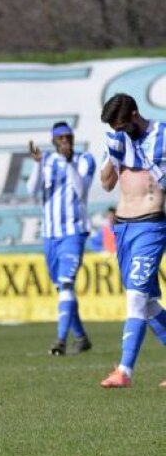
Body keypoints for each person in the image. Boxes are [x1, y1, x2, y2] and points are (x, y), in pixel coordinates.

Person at [96, 93, 166, 388]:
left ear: (135, 115)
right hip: (123, 228)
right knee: (148, 305)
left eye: (123, 126)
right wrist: (113, 155)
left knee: (135, 297)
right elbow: (107, 183)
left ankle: (124, 370)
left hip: (151, 225)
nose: (120, 131)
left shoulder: (162, 135)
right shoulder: (118, 140)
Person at [26, 122, 96, 356]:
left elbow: (81, 190)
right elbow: (31, 190)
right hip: (50, 234)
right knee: (62, 289)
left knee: (66, 284)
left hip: (73, 232)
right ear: (54, 140)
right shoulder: (44, 161)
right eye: (61, 138)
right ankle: (81, 338)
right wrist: (36, 164)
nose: (65, 141)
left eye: (68, 137)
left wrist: (68, 164)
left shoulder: (85, 159)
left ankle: (60, 340)